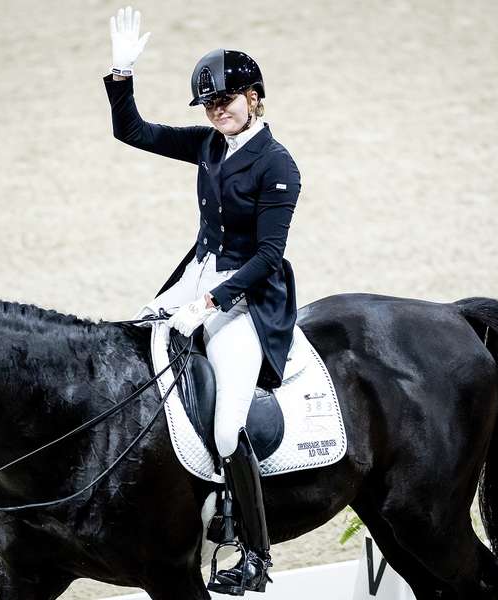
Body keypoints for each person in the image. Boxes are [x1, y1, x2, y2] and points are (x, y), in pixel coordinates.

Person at [103, 6, 301, 595]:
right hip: (195, 277)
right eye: (211, 105)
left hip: (247, 295)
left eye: (228, 101)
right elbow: (132, 132)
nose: (219, 111)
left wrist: (210, 305)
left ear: (255, 98)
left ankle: (255, 554)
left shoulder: (277, 164)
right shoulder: (210, 146)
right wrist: (120, 74)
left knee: (226, 423)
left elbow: (269, 256)